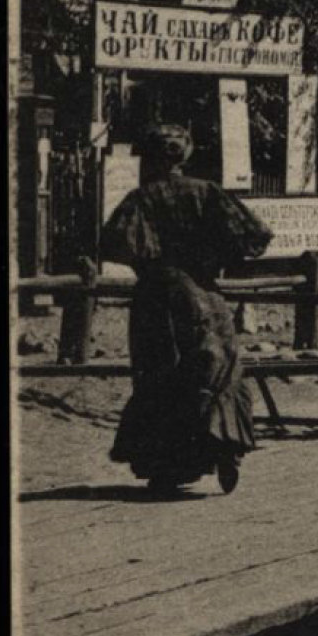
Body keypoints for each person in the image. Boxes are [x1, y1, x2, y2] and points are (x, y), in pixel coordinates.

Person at [102, 125, 274, 495]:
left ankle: (166, 466)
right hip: (203, 295)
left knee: (159, 375)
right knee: (217, 369)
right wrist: (216, 260)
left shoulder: (141, 198)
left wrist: (147, 264)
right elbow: (253, 235)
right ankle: (224, 444)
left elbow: (114, 243)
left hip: (156, 297)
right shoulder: (206, 192)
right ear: (186, 155)